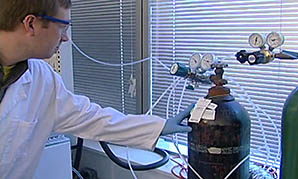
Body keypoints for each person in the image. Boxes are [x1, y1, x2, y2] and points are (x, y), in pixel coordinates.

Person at [0, 0, 193, 178]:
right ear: (31, 24)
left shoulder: (41, 78)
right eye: (63, 27)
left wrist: (158, 127)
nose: (66, 38)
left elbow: (93, 118)